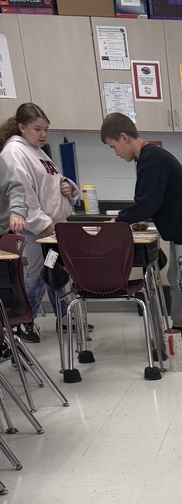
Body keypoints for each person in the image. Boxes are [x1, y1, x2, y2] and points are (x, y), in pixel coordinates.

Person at [100, 113, 182, 356]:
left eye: (113, 146)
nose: (116, 153)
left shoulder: (152, 159)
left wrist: (118, 221)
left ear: (124, 137)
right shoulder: (148, 158)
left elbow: (147, 204)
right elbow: (150, 202)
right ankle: (179, 329)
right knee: (177, 281)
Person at [0, 102, 79, 343]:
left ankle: (63, 318)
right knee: (37, 275)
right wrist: (44, 225)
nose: (43, 134)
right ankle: (23, 324)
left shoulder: (36, 149)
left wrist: (68, 186)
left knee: (54, 271)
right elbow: (23, 195)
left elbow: (50, 181)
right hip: (34, 229)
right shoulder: (14, 153)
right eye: (37, 129)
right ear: (22, 127)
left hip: (51, 228)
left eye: (46, 128)